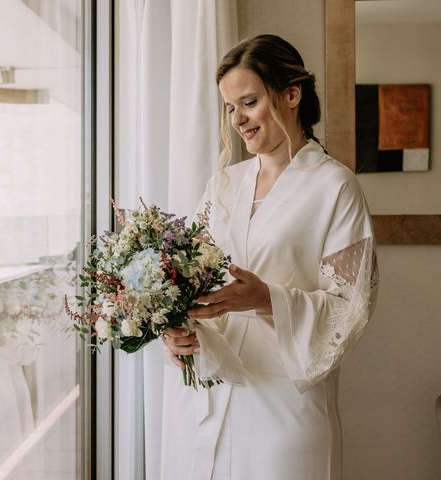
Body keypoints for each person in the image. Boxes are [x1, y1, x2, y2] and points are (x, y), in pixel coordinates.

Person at [161, 34, 379, 480]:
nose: (238, 119)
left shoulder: (335, 188)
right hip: (207, 394)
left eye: (249, 101)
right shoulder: (223, 184)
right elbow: (186, 278)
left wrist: (265, 299)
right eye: (230, 107)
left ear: (291, 95)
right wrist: (175, 329)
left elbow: (350, 307)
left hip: (283, 407)